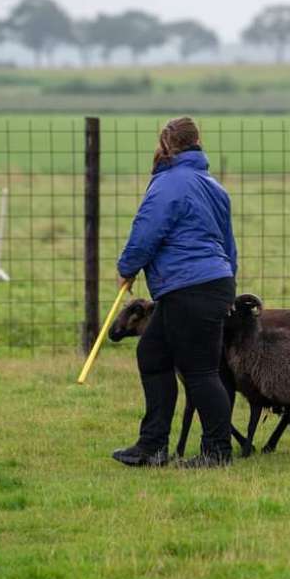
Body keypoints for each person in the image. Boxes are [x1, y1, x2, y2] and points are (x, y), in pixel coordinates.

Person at [111, 117, 237, 468]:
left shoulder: (167, 184)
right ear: (197, 142)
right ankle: (152, 447)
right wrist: (230, 288)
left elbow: (146, 231)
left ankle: (217, 452)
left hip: (189, 287)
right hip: (211, 283)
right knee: (152, 355)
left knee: (200, 371)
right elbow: (229, 244)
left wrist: (127, 267)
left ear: (166, 145)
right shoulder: (213, 186)